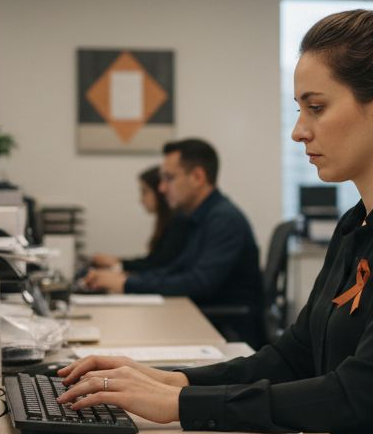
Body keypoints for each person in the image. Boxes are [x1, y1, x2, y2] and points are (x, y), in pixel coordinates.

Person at [57, 0, 373, 434]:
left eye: (316, 107)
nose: (298, 131)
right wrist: (172, 379)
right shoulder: (359, 225)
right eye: (299, 109)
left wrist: (181, 404)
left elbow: (358, 395)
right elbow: (293, 357)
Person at [82, 139, 264, 344]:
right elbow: (176, 269)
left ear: (197, 177)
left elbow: (198, 283)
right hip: (202, 319)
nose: (161, 188)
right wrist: (125, 279)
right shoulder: (200, 216)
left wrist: (127, 283)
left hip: (228, 331)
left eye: (169, 178)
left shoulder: (223, 219)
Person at [89, 165, 189, 274]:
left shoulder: (178, 222)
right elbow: (153, 261)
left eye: (145, 192)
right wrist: (118, 262)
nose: (141, 200)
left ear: (160, 191)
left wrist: (118, 265)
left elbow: (158, 265)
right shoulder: (168, 221)